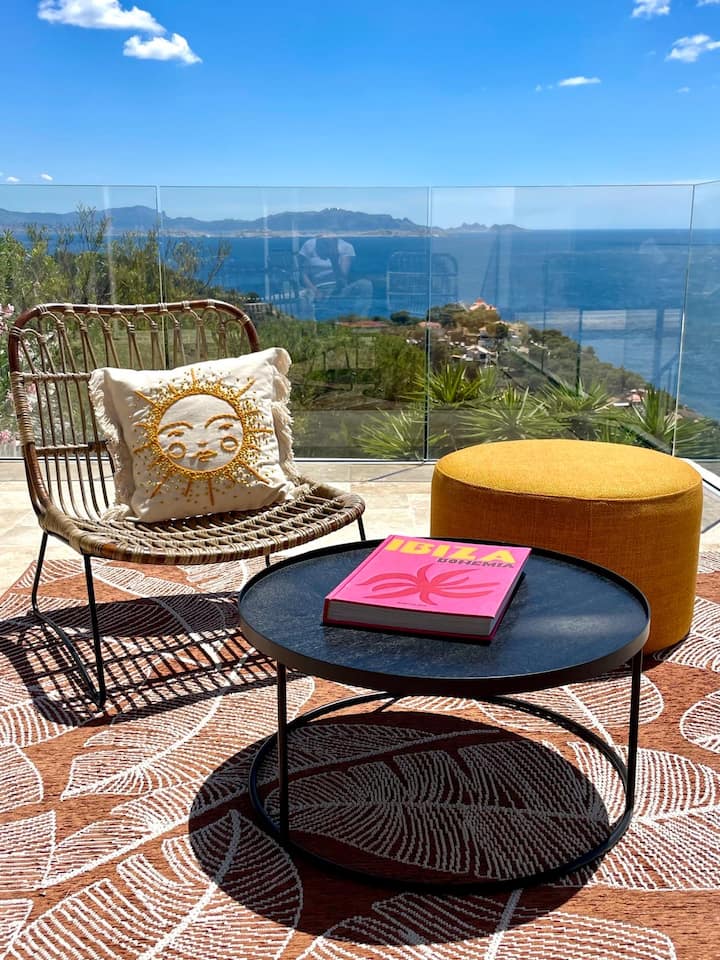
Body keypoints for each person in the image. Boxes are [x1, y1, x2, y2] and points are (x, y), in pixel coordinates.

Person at [298, 235, 373, 321]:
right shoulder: (309, 245)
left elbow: (342, 280)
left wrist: (334, 259)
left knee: (365, 284)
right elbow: (303, 274)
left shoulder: (346, 247)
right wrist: (315, 291)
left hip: (339, 289)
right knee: (304, 297)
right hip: (316, 290)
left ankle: (360, 321)